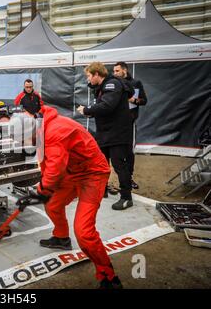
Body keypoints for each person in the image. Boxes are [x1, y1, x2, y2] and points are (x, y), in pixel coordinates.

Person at [21, 103, 122, 289]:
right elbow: (48, 165)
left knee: (84, 233)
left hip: (92, 175)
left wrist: (42, 190)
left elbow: (55, 168)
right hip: (72, 172)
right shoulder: (42, 127)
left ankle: (108, 275)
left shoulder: (53, 132)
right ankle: (61, 238)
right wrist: (43, 191)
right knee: (52, 204)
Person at [77, 62, 134, 211]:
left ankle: (126, 198)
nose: (87, 79)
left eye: (89, 76)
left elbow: (107, 106)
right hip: (105, 133)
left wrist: (87, 110)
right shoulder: (102, 86)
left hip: (118, 133)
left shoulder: (112, 84)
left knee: (119, 165)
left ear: (97, 74)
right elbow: (97, 92)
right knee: (101, 164)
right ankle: (102, 191)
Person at [113, 62, 148, 189]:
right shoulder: (113, 84)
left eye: (117, 71)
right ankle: (118, 180)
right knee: (116, 152)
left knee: (129, 151)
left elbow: (144, 101)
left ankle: (129, 178)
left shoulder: (135, 83)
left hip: (129, 123)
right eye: (114, 71)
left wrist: (133, 100)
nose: (115, 73)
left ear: (124, 70)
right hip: (115, 123)